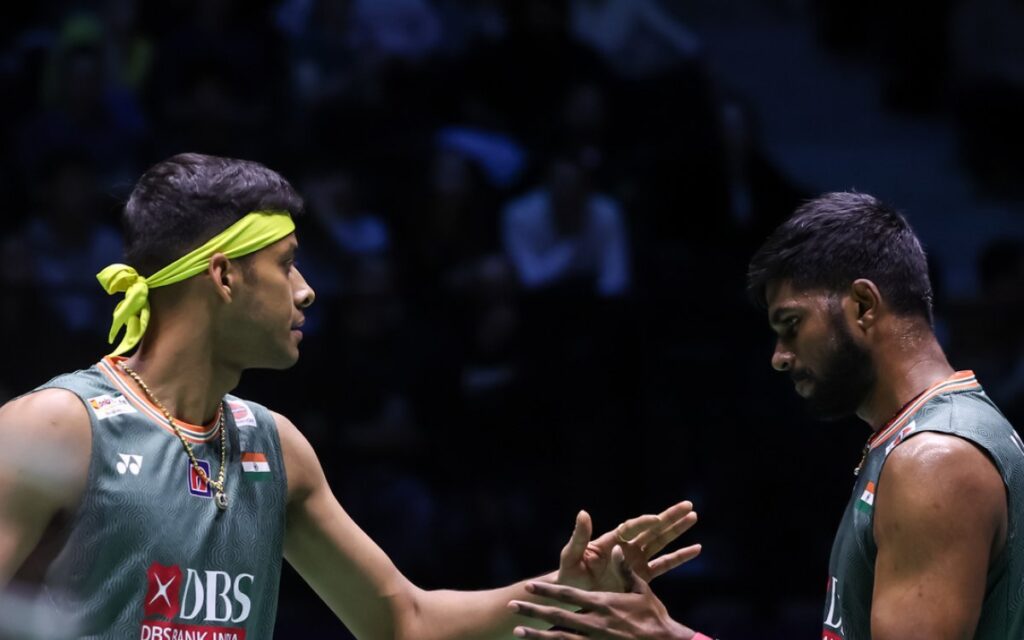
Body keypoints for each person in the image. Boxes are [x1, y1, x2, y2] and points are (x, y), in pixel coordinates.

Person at [0, 153, 701, 638]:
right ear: (223, 276)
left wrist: (566, 593)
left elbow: (402, 621)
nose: (306, 291)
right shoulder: (60, 427)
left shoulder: (275, 448)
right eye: (285, 264)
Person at [506, 191, 1024, 639]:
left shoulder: (935, 459)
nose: (779, 356)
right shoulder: (919, 438)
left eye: (791, 325)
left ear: (863, 306)